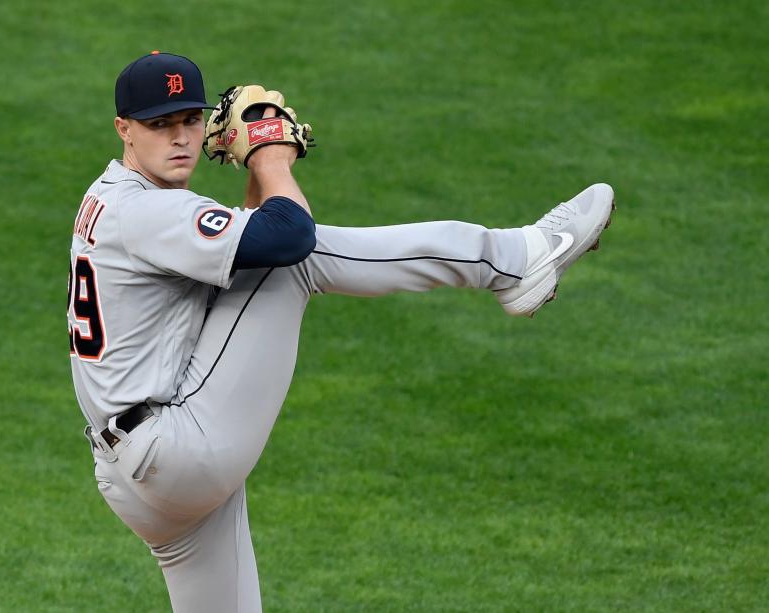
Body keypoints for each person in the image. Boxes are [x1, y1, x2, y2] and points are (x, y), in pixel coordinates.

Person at [66, 51, 614, 612]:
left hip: (140, 474)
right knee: (298, 262)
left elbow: (243, 258)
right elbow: (289, 240)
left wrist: (261, 174)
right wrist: (271, 158)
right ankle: (513, 260)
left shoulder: (117, 200)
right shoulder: (149, 215)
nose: (180, 138)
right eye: (160, 125)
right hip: (178, 452)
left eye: (189, 120)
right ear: (124, 129)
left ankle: (512, 262)